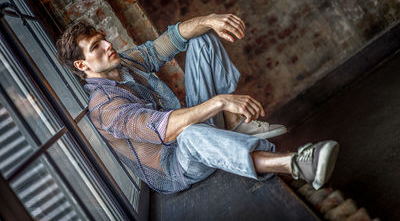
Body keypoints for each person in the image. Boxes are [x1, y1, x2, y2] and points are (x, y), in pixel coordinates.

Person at [56, 13, 339, 194]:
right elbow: (164, 131)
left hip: (190, 132)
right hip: (175, 165)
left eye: (102, 39)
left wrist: (210, 19)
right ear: (82, 65)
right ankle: (297, 164)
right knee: (188, 133)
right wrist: (220, 101)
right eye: (96, 47)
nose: (107, 45)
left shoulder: (127, 62)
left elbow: (167, 42)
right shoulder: (104, 108)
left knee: (200, 37)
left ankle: (234, 127)